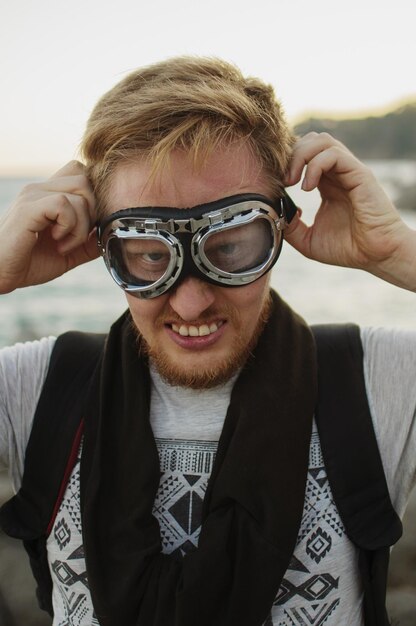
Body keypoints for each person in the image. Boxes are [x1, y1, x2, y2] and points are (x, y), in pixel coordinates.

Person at [0, 56, 415, 626]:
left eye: (231, 246)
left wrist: (396, 252)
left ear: (280, 230)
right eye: (150, 254)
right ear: (106, 247)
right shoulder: (38, 392)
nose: (191, 301)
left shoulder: (372, 385)